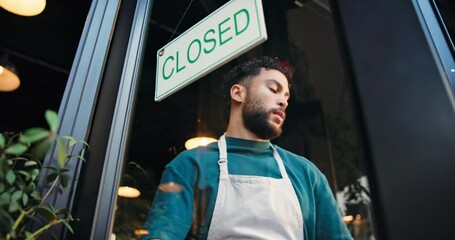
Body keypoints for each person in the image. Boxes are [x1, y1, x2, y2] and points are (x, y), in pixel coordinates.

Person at [142, 56, 353, 240]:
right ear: (238, 93)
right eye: (273, 89)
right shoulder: (190, 166)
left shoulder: (307, 174)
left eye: (286, 96)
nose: (283, 102)